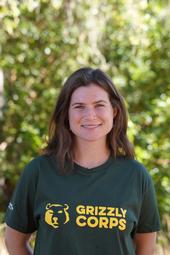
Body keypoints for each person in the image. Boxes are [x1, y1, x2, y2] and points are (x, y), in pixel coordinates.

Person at [5, 67, 160, 255]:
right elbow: (14, 242)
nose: (90, 115)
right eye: (79, 107)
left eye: (99, 105)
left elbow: (146, 249)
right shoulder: (39, 171)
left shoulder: (136, 176)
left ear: (115, 111)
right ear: (66, 114)